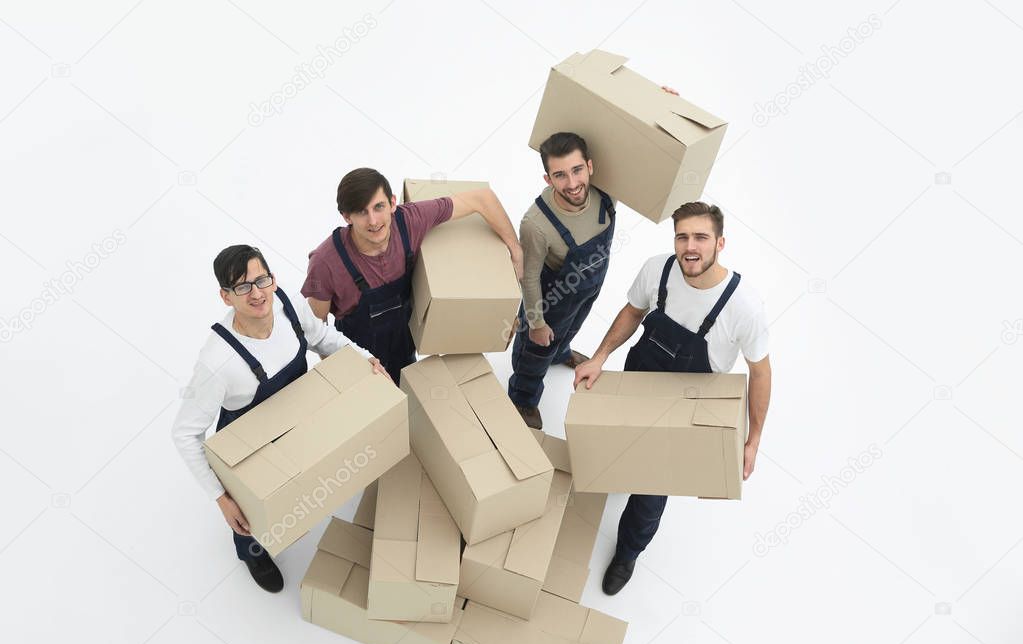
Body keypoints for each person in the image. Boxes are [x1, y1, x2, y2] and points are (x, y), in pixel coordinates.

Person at [573, 202, 772, 595]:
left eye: (701, 237)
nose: (690, 247)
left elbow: (760, 372)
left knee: (651, 489)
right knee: (620, 442)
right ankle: (618, 472)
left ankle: (628, 551)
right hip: (642, 375)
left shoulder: (743, 305)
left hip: (690, 400)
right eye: (683, 236)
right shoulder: (658, 269)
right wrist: (599, 358)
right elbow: (632, 312)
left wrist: (753, 440)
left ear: (720, 242)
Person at [171, 245, 383, 593]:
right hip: (249, 445)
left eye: (261, 280)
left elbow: (321, 337)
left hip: (296, 418)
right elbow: (184, 434)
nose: (257, 293)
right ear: (226, 297)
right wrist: (222, 498)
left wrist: (365, 359)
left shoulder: (287, 304)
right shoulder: (216, 362)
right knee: (250, 519)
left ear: (273, 279)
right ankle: (252, 553)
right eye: (242, 287)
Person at [303, 167, 523, 383]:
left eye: (378, 207)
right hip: (360, 360)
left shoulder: (409, 221)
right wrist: (344, 380)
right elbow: (317, 333)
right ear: (346, 216)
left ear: (392, 203)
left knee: (407, 396)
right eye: (362, 212)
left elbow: (481, 198)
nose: (373, 221)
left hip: (404, 342)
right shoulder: (325, 262)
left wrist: (516, 252)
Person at [506, 132, 616, 429]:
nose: (572, 183)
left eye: (577, 170)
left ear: (590, 166)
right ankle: (522, 396)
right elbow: (528, 279)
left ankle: (561, 352)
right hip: (552, 297)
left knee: (573, 327)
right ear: (548, 179)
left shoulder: (606, 193)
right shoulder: (536, 224)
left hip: (589, 287)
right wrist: (538, 324)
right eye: (560, 175)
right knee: (535, 349)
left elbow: (640, 150)